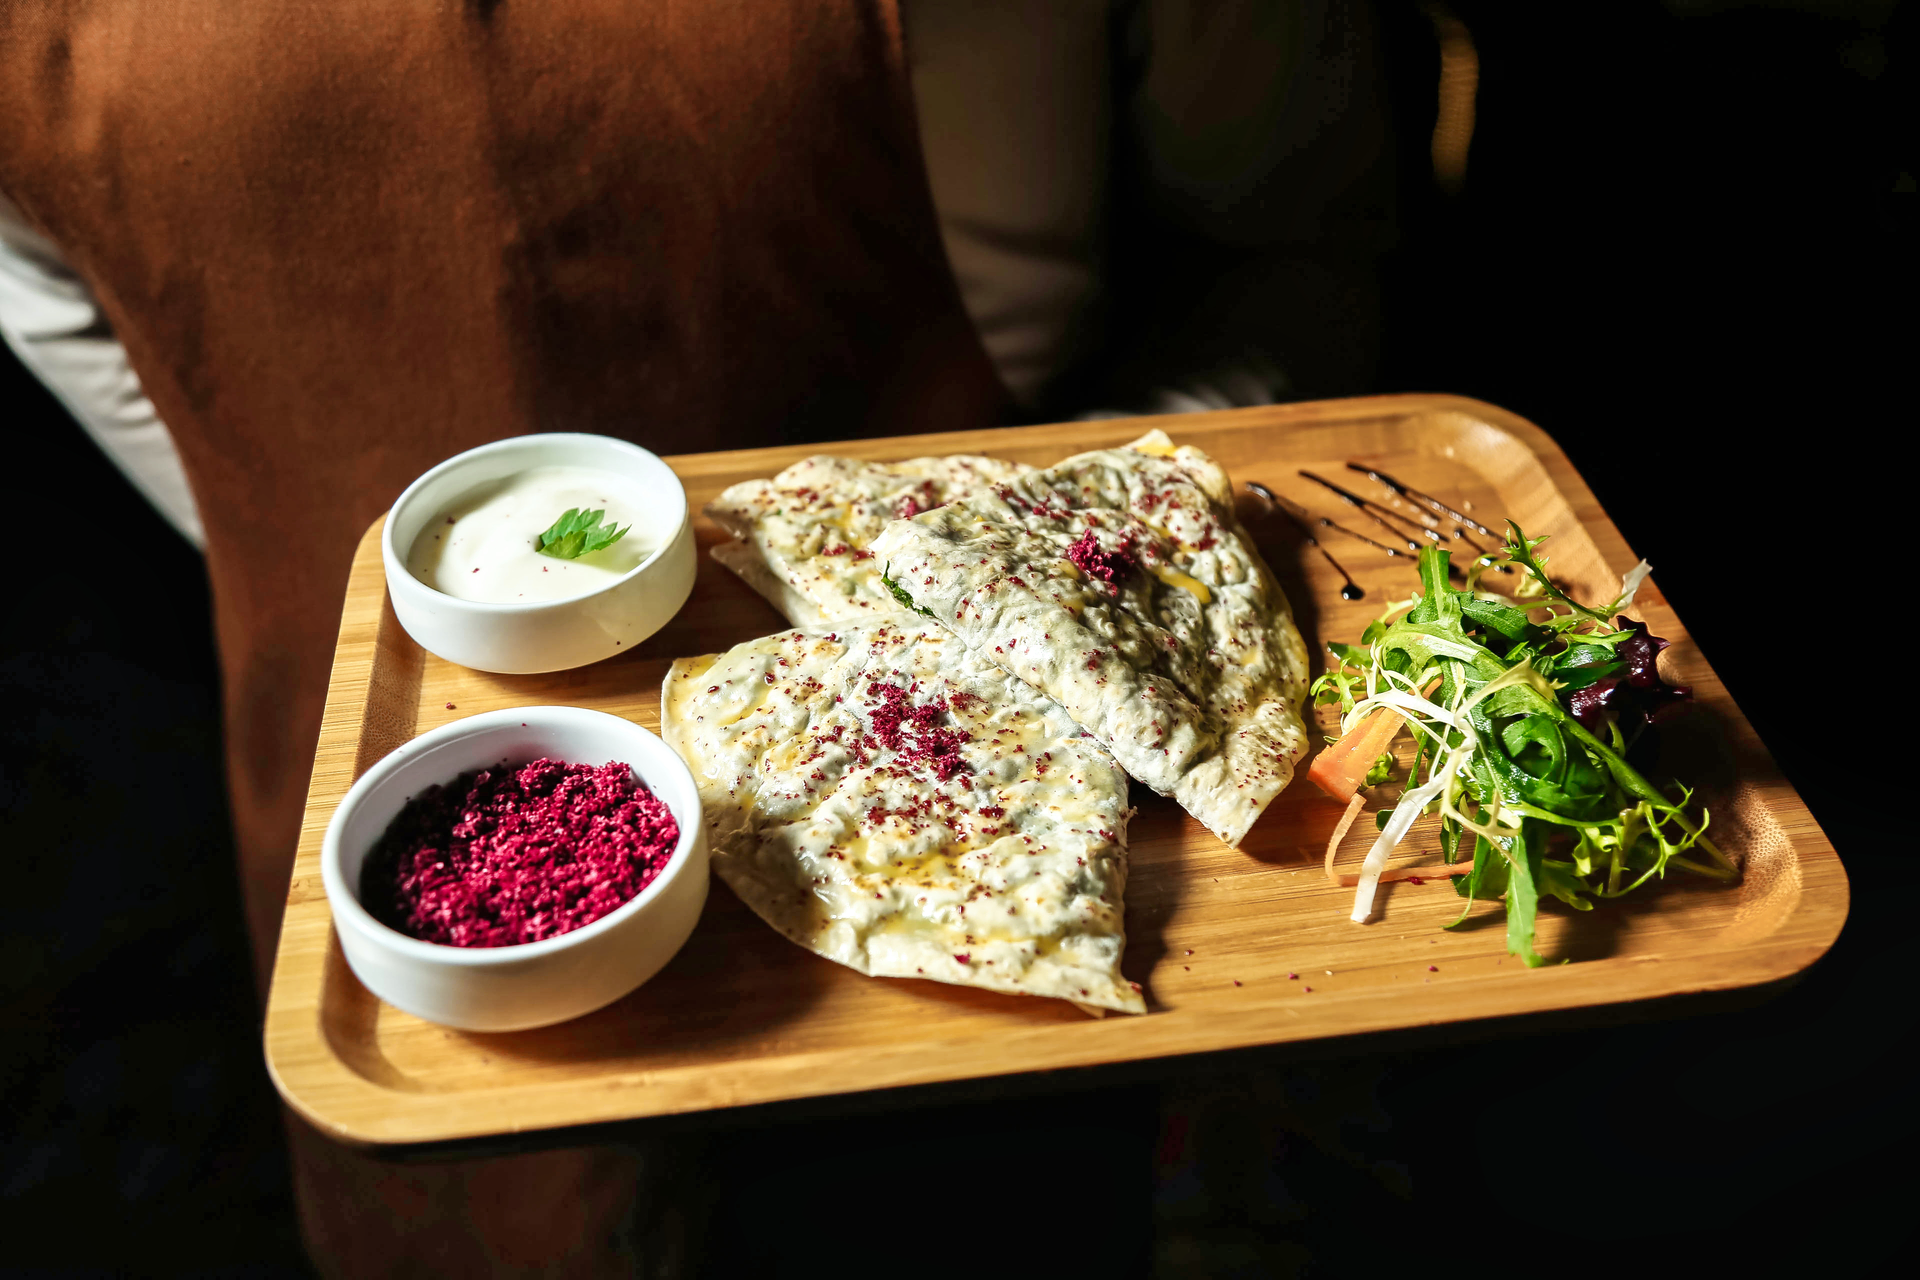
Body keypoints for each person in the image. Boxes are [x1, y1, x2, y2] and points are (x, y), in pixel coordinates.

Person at [0, 2, 1393, 1272]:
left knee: (959, 1213)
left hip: (996, 754)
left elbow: (1282, 223)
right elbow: (48, 293)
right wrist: (297, 535)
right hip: (387, 720)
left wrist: (1059, 553)